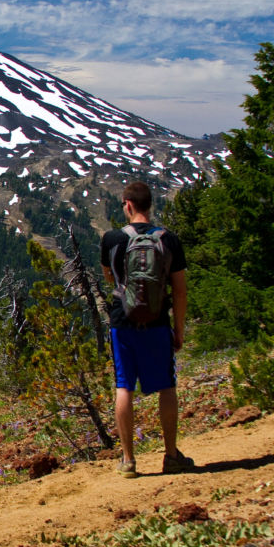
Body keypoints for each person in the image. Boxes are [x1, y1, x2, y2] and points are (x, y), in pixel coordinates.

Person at [101, 181, 194, 477]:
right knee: (166, 386)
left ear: (128, 205)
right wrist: (178, 329)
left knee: (124, 385)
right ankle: (171, 454)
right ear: (149, 205)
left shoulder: (112, 238)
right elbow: (180, 291)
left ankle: (128, 459)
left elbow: (110, 278)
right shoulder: (169, 240)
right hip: (157, 321)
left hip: (123, 320)